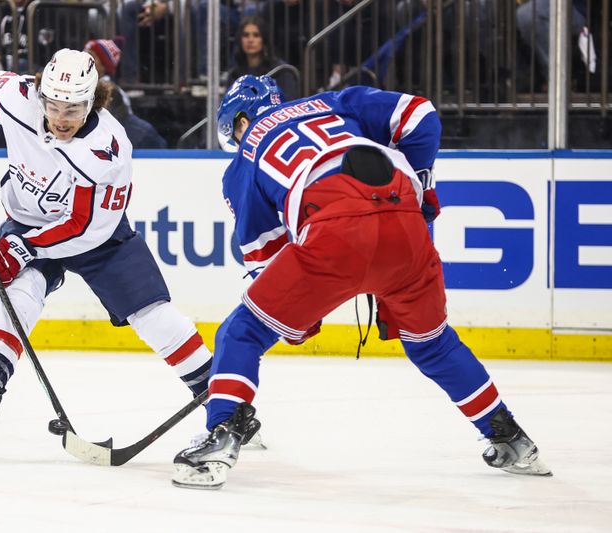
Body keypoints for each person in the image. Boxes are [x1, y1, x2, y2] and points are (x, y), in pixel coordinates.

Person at [171, 75, 551, 489]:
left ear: (239, 122)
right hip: (405, 218)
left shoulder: (243, 160)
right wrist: (421, 190)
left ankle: (222, 431)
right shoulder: (333, 102)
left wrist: (295, 318)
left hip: (334, 231)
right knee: (433, 344)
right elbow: (420, 115)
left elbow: (263, 253)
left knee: (242, 331)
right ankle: (510, 437)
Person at [0, 49, 254, 451]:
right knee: (17, 295)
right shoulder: (17, 97)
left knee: (151, 312)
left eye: (75, 108)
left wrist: (20, 248)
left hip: (95, 236)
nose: (62, 118)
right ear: (40, 94)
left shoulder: (107, 148)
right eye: (54, 106)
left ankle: (225, 403)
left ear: (93, 101)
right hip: (29, 220)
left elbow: (83, 227)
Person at [84, 38, 167, 149]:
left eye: (91, 57)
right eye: (84, 55)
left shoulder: (109, 90)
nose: (85, 60)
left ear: (103, 65)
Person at [226, 16, 298, 100]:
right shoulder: (234, 74)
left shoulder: (281, 71)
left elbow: (289, 102)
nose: (250, 40)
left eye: (256, 35)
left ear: (264, 40)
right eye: (246, 35)